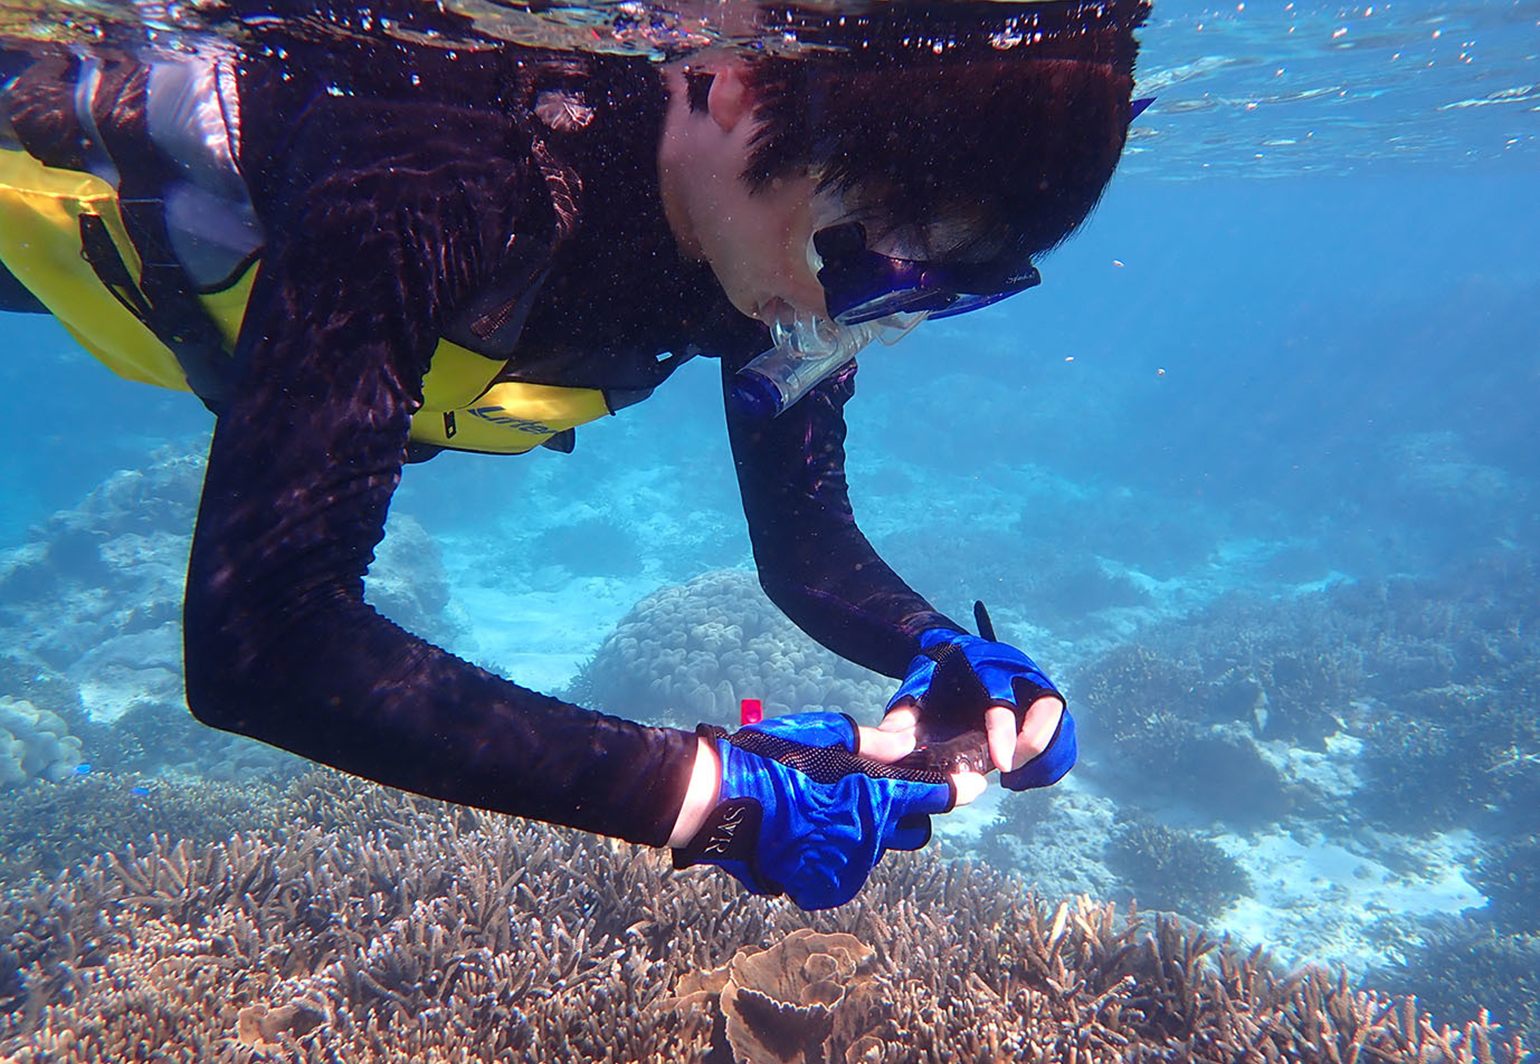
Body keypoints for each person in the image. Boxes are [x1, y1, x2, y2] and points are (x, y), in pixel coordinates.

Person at [0, 0, 1146, 909]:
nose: (863, 320)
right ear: (742, 85)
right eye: (869, 261)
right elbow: (264, 636)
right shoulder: (437, 152)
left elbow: (805, 547)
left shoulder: (780, 258)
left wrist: (942, 651)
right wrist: (713, 795)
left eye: (943, 290)